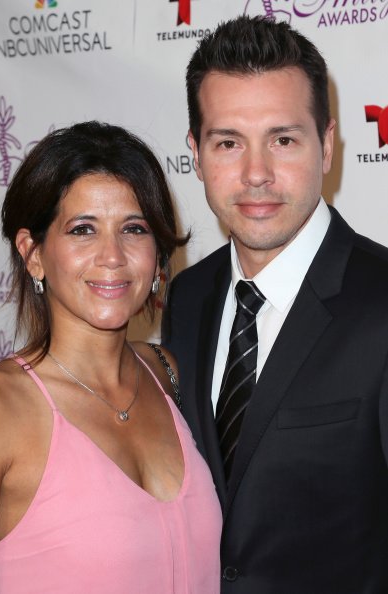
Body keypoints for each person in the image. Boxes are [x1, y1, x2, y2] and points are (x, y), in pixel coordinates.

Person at [162, 15, 388, 594]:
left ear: (328, 145)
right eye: (228, 142)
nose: (255, 174)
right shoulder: (186, 297)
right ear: (196, 152)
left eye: (283, 140)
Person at [0, 121, 222, 593]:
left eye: (133, 229)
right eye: (83, 230)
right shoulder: (4, 409)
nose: (112, 256)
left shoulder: (167, 374)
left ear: (157, 254)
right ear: (33, 253)